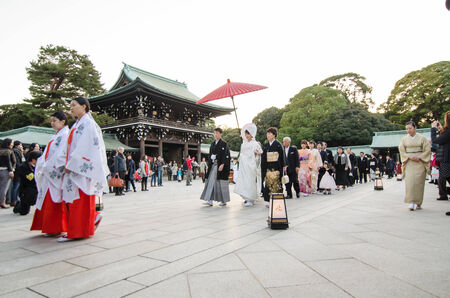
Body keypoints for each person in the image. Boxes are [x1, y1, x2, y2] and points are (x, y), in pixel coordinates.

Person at [60, 97, 109, 242]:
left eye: (74, 105)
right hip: (76, 167)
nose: (71, 108)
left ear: (84, 107)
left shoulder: (87, 124)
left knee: (79, 200)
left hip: (81, 169)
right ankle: (85, 224)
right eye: (70, 106)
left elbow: (86, 148)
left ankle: (78, 231)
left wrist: (71, 164)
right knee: (76, 199)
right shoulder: (78, 124)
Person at [30, 111, 68, 234]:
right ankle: (48, 226)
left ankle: (56, 228)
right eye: (51, 120)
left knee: (55, 199)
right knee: (47, 198)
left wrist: (49, 165)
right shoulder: (56, 135)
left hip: (55, 170)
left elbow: (62, 155)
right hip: (48, 169)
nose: (52, 123)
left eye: (54, 120)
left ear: (63, 121)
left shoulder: (65, 135)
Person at [399, 121, 431, 211]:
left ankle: (418, 202)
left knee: (419, 183)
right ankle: (411, 202)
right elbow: (401, 150)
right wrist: (408, 156)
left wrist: (420, 157)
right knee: (410, 182)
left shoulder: (422, 138)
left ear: (415, 128)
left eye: (410, 128)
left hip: (420, 162)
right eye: (407, 129)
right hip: (409, 162)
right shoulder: (404, 139)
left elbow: (427, 149)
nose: (408, 130)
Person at [200, 127, 231, 206]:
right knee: (210, 182)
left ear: (221, 134)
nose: (216, 135)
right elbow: (210, 154)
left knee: (221, 183)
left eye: (217, 133)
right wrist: (211, 159)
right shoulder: (213, 144)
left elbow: (226, 155)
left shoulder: (224, 144)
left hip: (220, 166)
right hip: (213, 165)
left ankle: (223, 200)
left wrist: (223, 164)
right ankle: (209, 200)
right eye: (215, 133)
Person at [234, 123, 262, 207]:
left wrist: (256, 154)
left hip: (251, 166)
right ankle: (246, 197)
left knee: (250, 181)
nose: (247, 136)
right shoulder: (243, 144)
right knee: (244, 181)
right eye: (246, 134)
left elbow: (259, 154)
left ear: (252, 134)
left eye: (248, 134)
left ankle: (251, 198)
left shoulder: (255, 144)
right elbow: (242, 154)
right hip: (244, 166)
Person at [261, 127, 286, 207]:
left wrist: (284, 165)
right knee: (268, 183)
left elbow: (282, 156)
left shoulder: (278, 144)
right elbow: (264, 157)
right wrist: (263, 167)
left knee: (276, 183)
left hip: (276, 167)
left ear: (274, 135)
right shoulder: (266, 145)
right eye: (267, 134)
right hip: (268, 167)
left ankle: (276, 199)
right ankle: (267, 200)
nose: (268, 135)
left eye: (270, 134)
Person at [13, 151, 41, 215]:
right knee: (24, 212)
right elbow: (28, 179)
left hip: (35, 188)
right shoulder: (23, 167)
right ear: (33, 159)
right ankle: (18, 206)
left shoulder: (38, 166)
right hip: (26, 190)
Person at [431, 113, 450, 209]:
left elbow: (435, 140)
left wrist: (433, 129)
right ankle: (443, 194)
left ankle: (443, 194)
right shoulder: (447, 132)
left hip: (447, 160)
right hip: (446, 159)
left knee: (446, 178)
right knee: (443, 178)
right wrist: (440, 129)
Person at [0, 138, 16, 209]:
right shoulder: (8, 151)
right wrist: (11, 171)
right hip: (6, 171)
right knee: (4, 188)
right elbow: (9, 162)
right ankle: (2, 202)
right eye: (11, 143)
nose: (12, 144)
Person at [10, 141, 25, 207]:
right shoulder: (16, 151)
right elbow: (18, 162)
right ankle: (14, 200)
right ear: (17, 145)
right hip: (17, 172)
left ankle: (14, 200)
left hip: (16, 171)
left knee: (15, 186)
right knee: (16, 186)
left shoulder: (16, 151)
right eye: (20, 145)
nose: (21, 146)